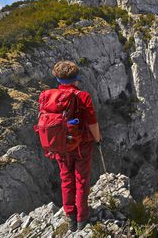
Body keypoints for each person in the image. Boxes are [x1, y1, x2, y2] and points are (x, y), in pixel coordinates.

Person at [45, 60, 102, 232]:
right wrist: (98, 139)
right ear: (76, 78)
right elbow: (92, 123)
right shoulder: (82, 96)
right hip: (81, 145)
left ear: (57, 79)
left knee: (66, 179)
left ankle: (70, 217)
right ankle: (82, 217)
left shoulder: (49, 96)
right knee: (81, 179)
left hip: (59, 145)